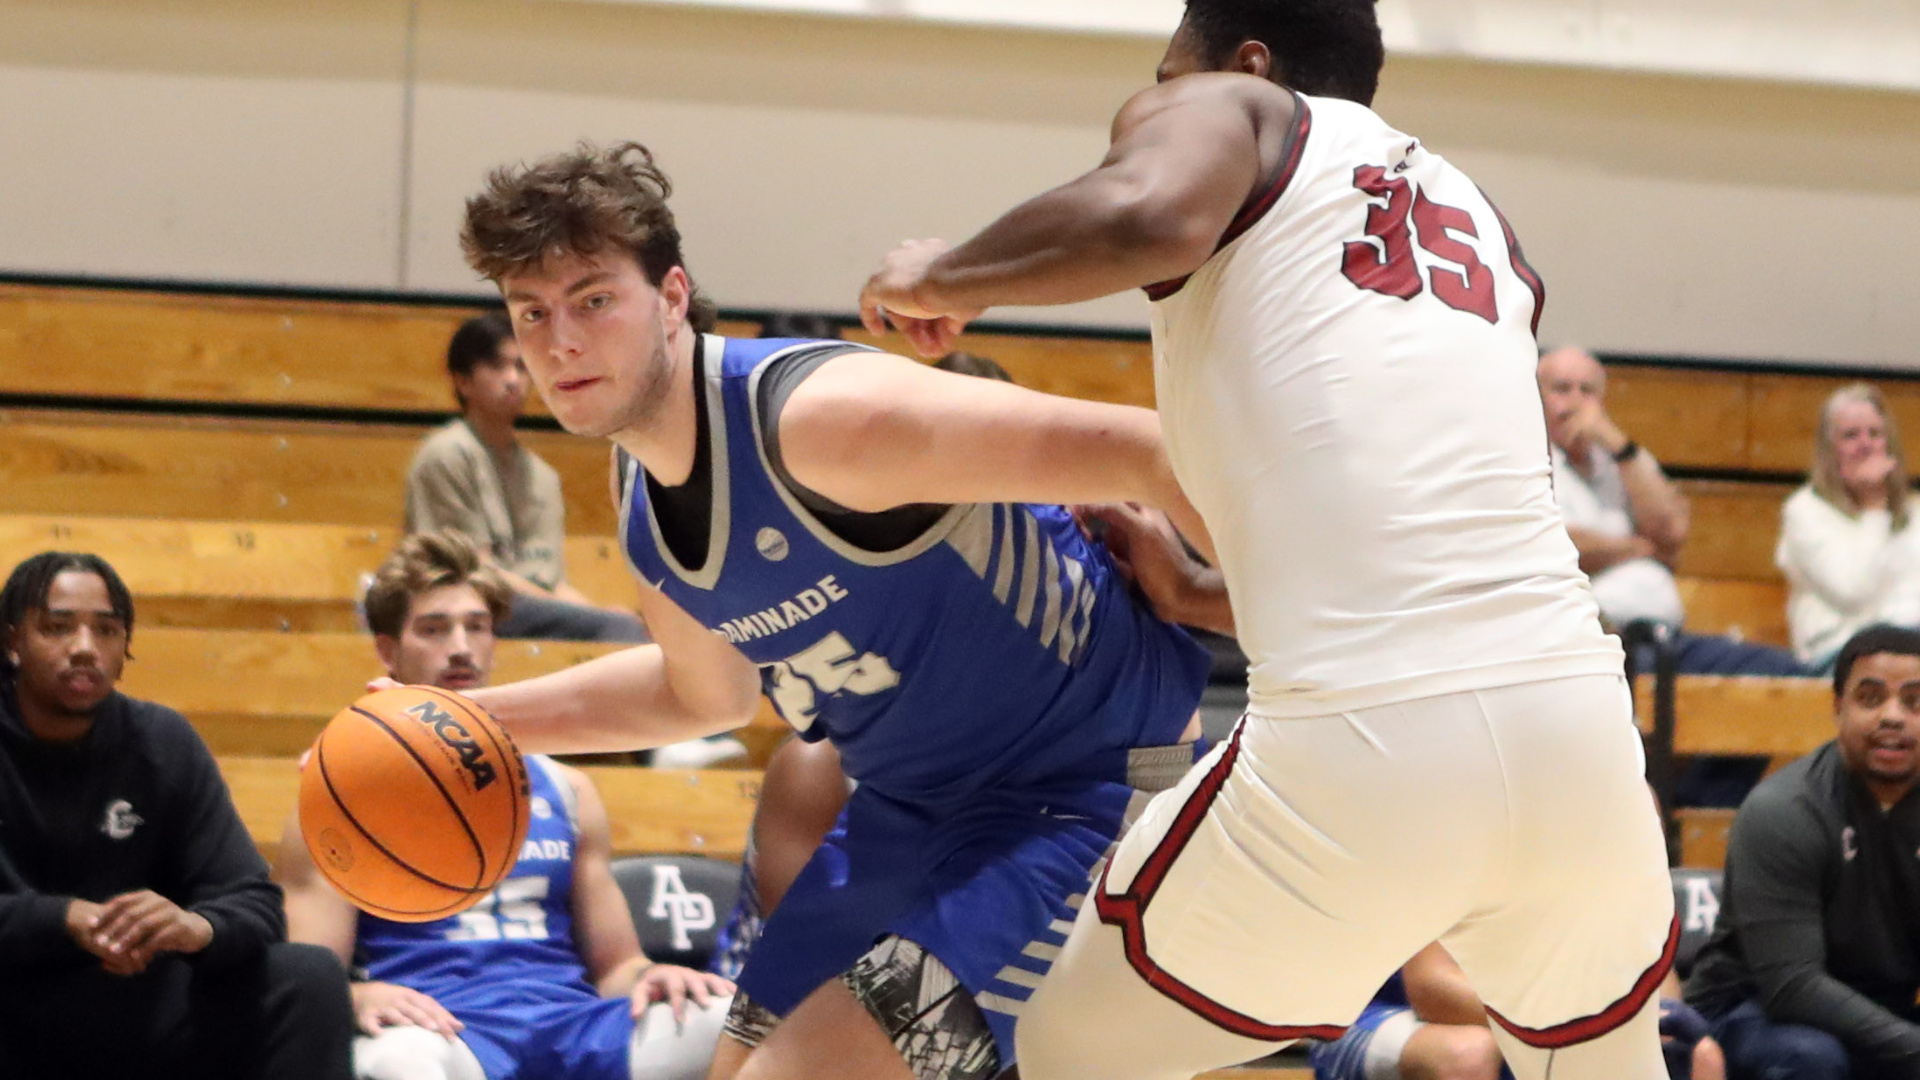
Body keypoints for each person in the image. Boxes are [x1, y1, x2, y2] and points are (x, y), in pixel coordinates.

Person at [856, 3, 1677, 1079]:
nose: (1151, 111)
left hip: (1369, 749)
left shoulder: (1236, 105)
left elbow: (1144, 212)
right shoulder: (1476, 214)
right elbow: (1409, 528)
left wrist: (943, 274)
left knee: (1071, 1049)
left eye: (1164, 82)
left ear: (1246, 64)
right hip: (1580, 739)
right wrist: (1204, 595)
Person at [450, 141, 1213, 1080]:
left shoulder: (819, 417)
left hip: (1087, 789)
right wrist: (467, 721)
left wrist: (1206, 596)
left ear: (674, 296)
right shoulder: (643, 498)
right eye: (532, 313)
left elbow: (1156, 452)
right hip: (911, 808)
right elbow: (705, 697)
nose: (559, 341)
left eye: (594, 299)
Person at [279, 531, 735, 1080]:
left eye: (476, 627)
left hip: (575, 1027)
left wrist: (652, 975)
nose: (460, 647)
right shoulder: (341, 796)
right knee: (401, 1065)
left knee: (734, 1022)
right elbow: (313, 975)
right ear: (386, 650)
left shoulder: (567, 789)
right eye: (433, 628)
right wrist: (356, 997)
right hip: (443, 1028)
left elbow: (617, 966)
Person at [0, 551, 354, 1080]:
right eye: (56, 628)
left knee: (307, 977)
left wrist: (195, 927)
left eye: (106, 631)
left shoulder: (162, 741)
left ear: (124, 652)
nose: (83, 648)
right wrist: (64, 918)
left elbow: (253, 900)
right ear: (12, 644)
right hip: (12, 1001)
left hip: (131, 1005)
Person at [1684, 624, 1920, 1080]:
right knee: (1810, 1057)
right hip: (1750, 1014)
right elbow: (1793, 986)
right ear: (1837, 708)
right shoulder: (1784, 809)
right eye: (1870, 698)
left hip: (1878, 1012)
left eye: (1915, 702)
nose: (1893, 717)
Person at [1537, 345, 1804, 678]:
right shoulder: (1527, 464)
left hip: (1667, 639)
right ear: (1536, 398)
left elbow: (1672, 531)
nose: (1576, 402)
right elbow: (1556, 548)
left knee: (1788, 672)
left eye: (1587, 391)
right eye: (1562, 389)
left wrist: (1620, 446)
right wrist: (1637, 547)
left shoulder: (1619, 460)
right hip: (1595, 647)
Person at [406, 311, 649, 644]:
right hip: (467, 605)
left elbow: (550, 579)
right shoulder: (447, 454)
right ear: (462, 381)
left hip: (531, 607)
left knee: (630, 628)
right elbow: (469, 573)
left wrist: (600, 612)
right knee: (616, 631)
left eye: (521, 368)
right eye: (497, 366)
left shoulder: (541, 475)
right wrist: (597, 620)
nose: (512, 380)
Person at [1313, 945, 1724, 1080]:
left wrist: (1653, 1018)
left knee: (1696, 1052)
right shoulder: (1454, 817)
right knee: (1470, 1054)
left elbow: (1657, 976)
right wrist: (1573, 1022)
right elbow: (1431, 988)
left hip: (1530, 1018)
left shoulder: (1612, 820)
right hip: (1372, 1012)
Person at [1778, 385, 1920, 671]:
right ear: (1829, 450)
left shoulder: (1913, 512)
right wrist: (1874, 509)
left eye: (1875, 434)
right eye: (1851, 435)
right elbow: (1854, 591)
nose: (1865, 445)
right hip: (1839, 656)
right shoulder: (1805, 512)